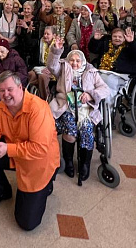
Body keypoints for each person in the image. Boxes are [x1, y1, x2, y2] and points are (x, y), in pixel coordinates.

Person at [0, 71, 59, 231]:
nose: (5, 94)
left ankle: (49, 181)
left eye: (9, 89)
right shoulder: (0, 107)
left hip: (38, 163)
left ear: (20, 87)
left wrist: (8, 149)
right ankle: (0, 191)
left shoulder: (38, 108)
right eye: (1, 90)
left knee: (27, 223)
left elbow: (40, 149)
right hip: (16, 154)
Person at [48, 45, 110, 180]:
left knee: (87, 132)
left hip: (86, 109)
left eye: (77, 61)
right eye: (72, 60)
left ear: (83, 62)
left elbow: (105, 89)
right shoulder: (63, 68)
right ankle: (69, 161)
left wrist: (90, 94)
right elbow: (51, 66)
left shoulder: (91, 72)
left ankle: (85, 164)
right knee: (70, 132)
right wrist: (56, 51)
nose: (74, 63)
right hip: (66, 107)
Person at [27, 26, 56, 100]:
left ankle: (44, 98)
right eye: (44, 33)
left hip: (52, 70)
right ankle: (32, 96)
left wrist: (50, 69)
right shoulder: (40, 42)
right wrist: (28, 32)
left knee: (42, 77)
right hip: (39, 67)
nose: (45, 36)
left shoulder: (57, 46)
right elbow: (29, 44)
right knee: (31, 74)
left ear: (54, 35)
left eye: (48, 34)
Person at [15, 1, 39, 69]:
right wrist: (19, 27)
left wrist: (26, 27)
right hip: (21, 46)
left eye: (28, 9)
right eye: (24, 8)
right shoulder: (20, 17)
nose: (26, 10)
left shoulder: (35, 20)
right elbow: (18, 33)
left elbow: (34, 35)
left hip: (31, 46)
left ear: (32, 10)